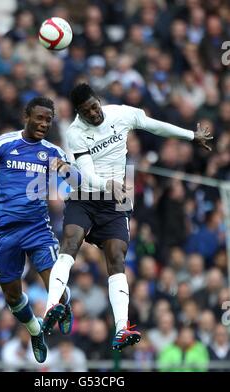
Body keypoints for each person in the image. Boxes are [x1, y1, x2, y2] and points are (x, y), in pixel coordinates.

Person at [42, 83, 213, 352]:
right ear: (79, 113)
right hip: (85, 196)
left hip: (114, 200)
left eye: (95, 107)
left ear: (99, 101)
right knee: (71, 241)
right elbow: (85, 174)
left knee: (117, 256)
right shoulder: (76, 133)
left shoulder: (120, 113)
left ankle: (122, 328)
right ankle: (51, 306)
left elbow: (153, 125)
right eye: (87, 112)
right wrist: (107, 184)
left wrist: (191, 136)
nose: (94, 114)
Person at [0, 97, 80, 363]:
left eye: (49, 119)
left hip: (38, 229)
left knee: (53, 282)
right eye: (40, 117)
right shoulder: (1, 145)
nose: (44, 123)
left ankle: (63, 306)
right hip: (4, 232)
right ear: (27, 116)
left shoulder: (53, 152)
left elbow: (75, 185)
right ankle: (35, 331)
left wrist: (70, 172)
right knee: (12, 296)